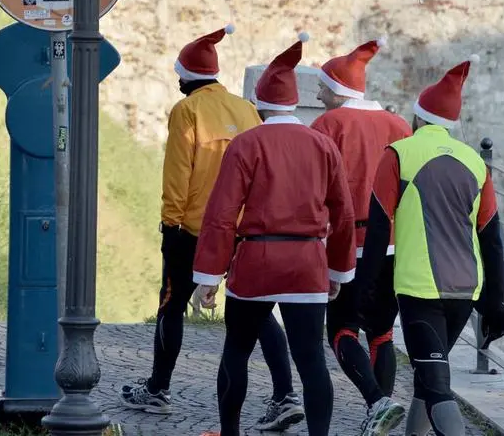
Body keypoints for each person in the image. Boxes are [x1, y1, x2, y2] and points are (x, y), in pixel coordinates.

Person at [120, 25, 305, 429]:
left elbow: (178, 175)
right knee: (259, 310)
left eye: (179, 74)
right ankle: (285, 394)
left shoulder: (185, 111)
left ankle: (158, 388)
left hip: (194, 229)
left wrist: (170, 223)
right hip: (244, 229)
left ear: (185, 76)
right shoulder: (246, 109)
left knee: (171, 305)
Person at [192, 33, 356, 436]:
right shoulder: (322, 145)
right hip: (308, 262)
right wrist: (338, 271)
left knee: (237, 350)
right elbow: (344, 212)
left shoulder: (247, 144)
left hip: (256, 260)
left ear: (260, 103)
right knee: (311, 360)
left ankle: (230, 432)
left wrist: (208, 277)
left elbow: (221, 214)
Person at [359, 58, 504, 436]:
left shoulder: (398, 154)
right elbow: (492, 238)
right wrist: (497, 302)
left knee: (438, 386)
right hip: (465, 289)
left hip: (419, 288)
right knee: (428, 381)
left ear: (418, 119)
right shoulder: (476, 163)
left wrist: (363, 290)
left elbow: (378, 229)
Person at [312, 37, 412, 435]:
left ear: (337, 88)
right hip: (393, 242)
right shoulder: (398, 123)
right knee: (383, 331)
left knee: (341, 329)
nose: (318, 97)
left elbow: (316, 188)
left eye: (321, 88)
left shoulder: (328, 125)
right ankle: (379, 417)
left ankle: (378, 402)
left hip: (348, 245)